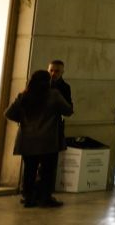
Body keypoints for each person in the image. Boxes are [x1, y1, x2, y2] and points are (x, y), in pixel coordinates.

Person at [6, 69, 71, 208]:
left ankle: (28, 198)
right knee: (47, 171)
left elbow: (9, 113)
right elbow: (68, 110)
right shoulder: (53, 95)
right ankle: (44, 198)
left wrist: (22, 120)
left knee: (29, 169)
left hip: (27, 140)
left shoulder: (24, 96)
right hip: (48, 140)